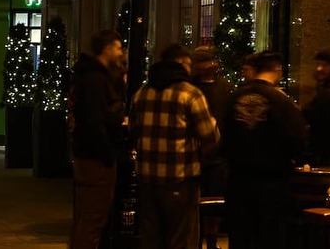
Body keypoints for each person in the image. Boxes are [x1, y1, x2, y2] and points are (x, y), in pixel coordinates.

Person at [130, 43, 220, 249]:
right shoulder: (190, 93)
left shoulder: (142, 93)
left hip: (147, 179)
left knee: (151, 237)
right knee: (181, 238)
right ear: (181, 64)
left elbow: (133, 132)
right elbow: (210, 138)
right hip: (181, 179)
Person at [223, 51, 308, 249]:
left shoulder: (235, 98)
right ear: (277, 70)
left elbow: (223, 134)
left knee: (240, 237)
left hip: (238, 180)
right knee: (270, 238)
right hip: (272, 183)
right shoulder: (281, 101)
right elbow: (298, 137)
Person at [69, 30, 126, 249]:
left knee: (85, 217)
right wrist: (108, 154)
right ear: (108, 48)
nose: (121, 52)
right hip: (96, 160)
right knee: (93, 218)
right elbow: (95, 122)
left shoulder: (89, 76)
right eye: (119, 47)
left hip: (87, 156)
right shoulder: (96, 79)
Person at [191, 46, 234, 249]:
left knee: (214, 204)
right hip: (197, 155)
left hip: (217, 157)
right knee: (197, 203)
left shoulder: (223, 88)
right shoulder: (191, 89)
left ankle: (211, 240)